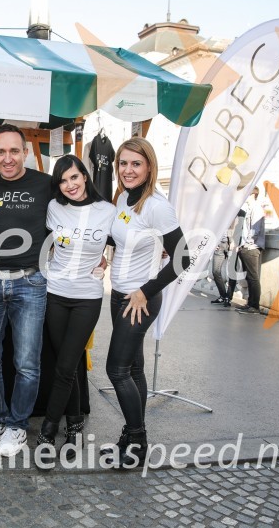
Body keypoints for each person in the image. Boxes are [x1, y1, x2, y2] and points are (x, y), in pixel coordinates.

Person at [101, 137, 189, 468]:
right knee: (133, 367)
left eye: (135, 163)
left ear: (149, 166)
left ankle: (137, 440)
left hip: (140, 300)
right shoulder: (123, 198)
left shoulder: (157, 206)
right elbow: (117, 236)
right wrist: (104, 257)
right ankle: (133, 434)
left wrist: (145, 291)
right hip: (120, 294)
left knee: (116, 369)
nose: (128, 169)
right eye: (123, 163)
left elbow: (182, 257)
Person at [0, 124, 52, 458]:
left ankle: (18, 427)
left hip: (30, 283)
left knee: (27, 363)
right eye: (1, 152)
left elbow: (83, 208)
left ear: (26, 152)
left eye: (14, 151)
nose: (8, 158)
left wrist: (107, 249)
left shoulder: (46, 184)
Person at [37, 154, 114, 465]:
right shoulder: (54, 208)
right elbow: (40, 241)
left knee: (66, 365)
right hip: (55, 293)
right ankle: (76, 425)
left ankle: (48, 428)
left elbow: (129, 237)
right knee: (65, 364)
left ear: (85, 176)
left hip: (87, 296)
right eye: (63, 180)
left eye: (74, 177)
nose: (69, 185)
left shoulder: (108, 211)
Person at [236, 186, 265, 313]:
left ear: (252, 194)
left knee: (253, 277)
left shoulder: (256, 208)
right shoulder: (250, 208)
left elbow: (255, 230)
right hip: (247, 246)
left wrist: (246, 244)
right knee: (249, 277)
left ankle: (254, 306)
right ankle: (250, 303)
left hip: (251, 247)